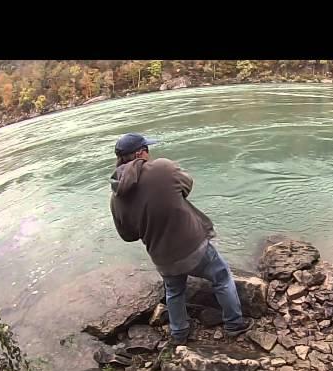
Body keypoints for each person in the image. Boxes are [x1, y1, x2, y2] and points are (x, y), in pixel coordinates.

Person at [109, 133, 254, 345]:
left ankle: (179, 334)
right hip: (194, 246)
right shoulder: (162, 168)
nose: (150, 153)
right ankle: (234, 324)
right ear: (140, 153)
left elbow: (128, 236)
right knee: (221, 277)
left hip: (162, 258)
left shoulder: (115, 198)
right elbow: (187, 186)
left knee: (174, 291)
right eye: (147, 150)